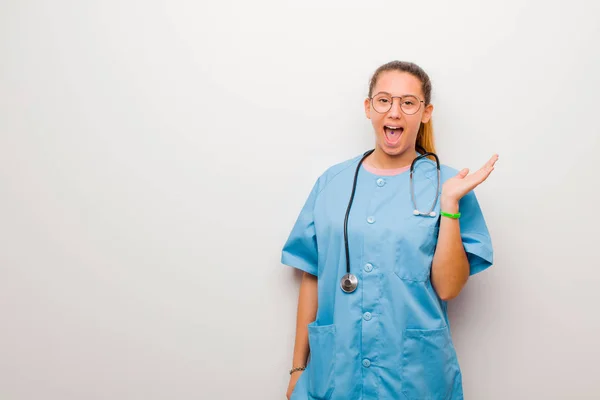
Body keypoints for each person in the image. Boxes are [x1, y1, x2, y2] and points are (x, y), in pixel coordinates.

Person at [282, 60, 498, 400]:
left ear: (425, 112)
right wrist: (298, 367)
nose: (394, 112)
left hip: (414, 378)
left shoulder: (451, 185)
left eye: (408, 103)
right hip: (336, 373)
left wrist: (450, 205)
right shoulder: (332, 183)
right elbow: (313, 275)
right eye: (384, 100)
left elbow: (449, 287)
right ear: (369, 108)